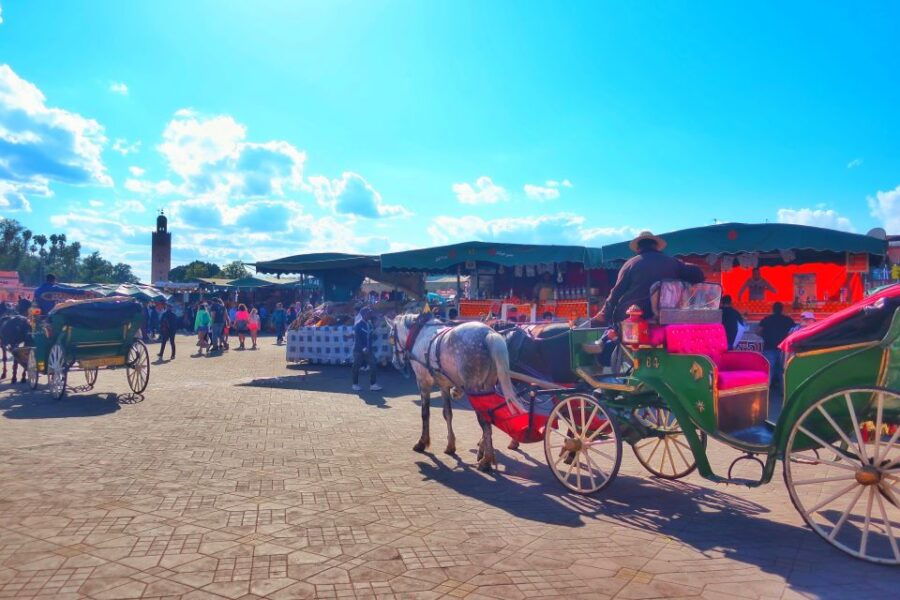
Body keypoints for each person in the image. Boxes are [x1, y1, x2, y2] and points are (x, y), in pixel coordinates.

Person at [599, 231, 705, 324]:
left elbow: (615, 293)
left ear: (638, 249)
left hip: (634, 317)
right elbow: (698, 275)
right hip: (665, 317)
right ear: (656, 246)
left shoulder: (631, 264)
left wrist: (604, 315)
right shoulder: (673, 263)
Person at [758, 302, 795, 390]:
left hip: (769, 347)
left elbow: (758, 331)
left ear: (773, 309)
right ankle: (784, 391)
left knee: (769, 370)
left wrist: (765, 336)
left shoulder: (767, 319)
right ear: (782, 309)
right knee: (783, 370)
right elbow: (793, 332)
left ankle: (766, 392)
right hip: (784, 348)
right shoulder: (788, 320)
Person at [351, 307, 382, 391]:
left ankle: (373, 384)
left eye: (370, 313)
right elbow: (357, 338)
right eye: (368, 313)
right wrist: (363, 348)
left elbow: (371, 335)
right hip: (358, 350)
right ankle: (355, 384)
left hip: (368, 350)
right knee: (356, 367)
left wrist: (376, 329)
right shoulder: (358, 325)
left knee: (373, 366)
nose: (370, 315)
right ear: (364, 314)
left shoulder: (369, 324)